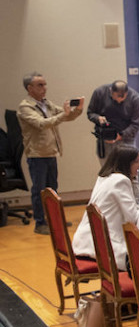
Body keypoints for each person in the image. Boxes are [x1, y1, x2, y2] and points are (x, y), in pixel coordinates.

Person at [16, 71, 85, 234]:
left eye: (45, 84)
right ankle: (40, 223)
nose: (44, 88)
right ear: (29, 88)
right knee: (39, 191)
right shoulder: (25, 107)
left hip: (51, 152)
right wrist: (64, 114)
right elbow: (42, 124)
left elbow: (65, 116)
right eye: (40, 85)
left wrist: (78, 110)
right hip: (37, 155)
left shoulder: (46, 103)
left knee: (52, 189)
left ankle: (55, 220)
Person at [71, 144, 139, 270]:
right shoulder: (121, 181)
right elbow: (133, 218)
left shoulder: (104, 177)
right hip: (103, 247)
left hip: (85, 241)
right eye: (137, 162)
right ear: (126, 163)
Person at [86, 79, 139, 152]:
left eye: (122, 100)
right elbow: (90, 113)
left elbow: (136, 124)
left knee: (127, 163)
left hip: (126, 140)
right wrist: (98, 118)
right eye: (115, 99)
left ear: (127, 93)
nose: (119, 101)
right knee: (107, 163)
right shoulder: (99, 93)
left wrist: (121, 135)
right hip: (104, 140)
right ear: (110, 91)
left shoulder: (135, 98)